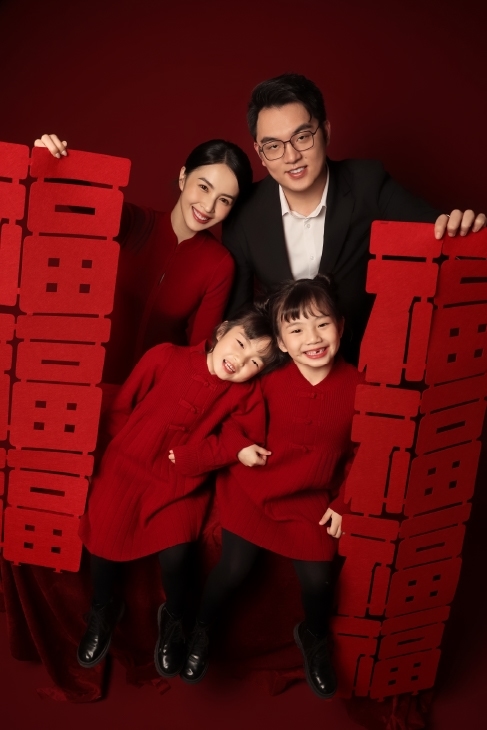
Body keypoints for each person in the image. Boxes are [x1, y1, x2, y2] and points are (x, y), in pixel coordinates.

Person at [173, 276, 360, 698]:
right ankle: (201, 628)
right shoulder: (269, 381)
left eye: (322, 324)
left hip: (309, 498)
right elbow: (233, 422)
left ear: (341, 326)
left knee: (319, 579)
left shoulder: (359, 386)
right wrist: (240, 448)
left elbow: (367, 452)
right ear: (281, 342)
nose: (312, 339)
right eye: (296, 330)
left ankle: (313, 636)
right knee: (233, 569)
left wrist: (345, 501)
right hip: (254, 489)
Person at [222, 73, 486, 362]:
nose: (291, 156)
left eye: (302, 137)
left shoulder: (367, 183)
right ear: (260, 153)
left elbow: (437, 231)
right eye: (274, 146)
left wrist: (459, 228)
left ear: (325, 131)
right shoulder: (244, 214)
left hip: (365, 365)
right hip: (285, 371)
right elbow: (239, 316)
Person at [75, 307, 281, 674]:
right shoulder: (166, 356)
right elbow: (122, 406)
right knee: (103, 536)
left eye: (255, 362)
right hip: (128, 463)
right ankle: (103, 607)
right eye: (240, 344)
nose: (240, 360)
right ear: (222, 331)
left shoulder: (244, 395)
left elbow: (243, 441)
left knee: (176, 556)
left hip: (182, 480)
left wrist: (201, 455)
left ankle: (174, 617)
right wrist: (109, 457)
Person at [35, 134, 253, 383]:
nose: (208, 206)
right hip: (86, 377)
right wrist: (51, 159)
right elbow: (81, 200)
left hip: (155, 388)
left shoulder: (219, 264)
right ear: (183, 177)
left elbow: (202, 352)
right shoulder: (134, 223)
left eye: (224, 200)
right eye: (204, 187)